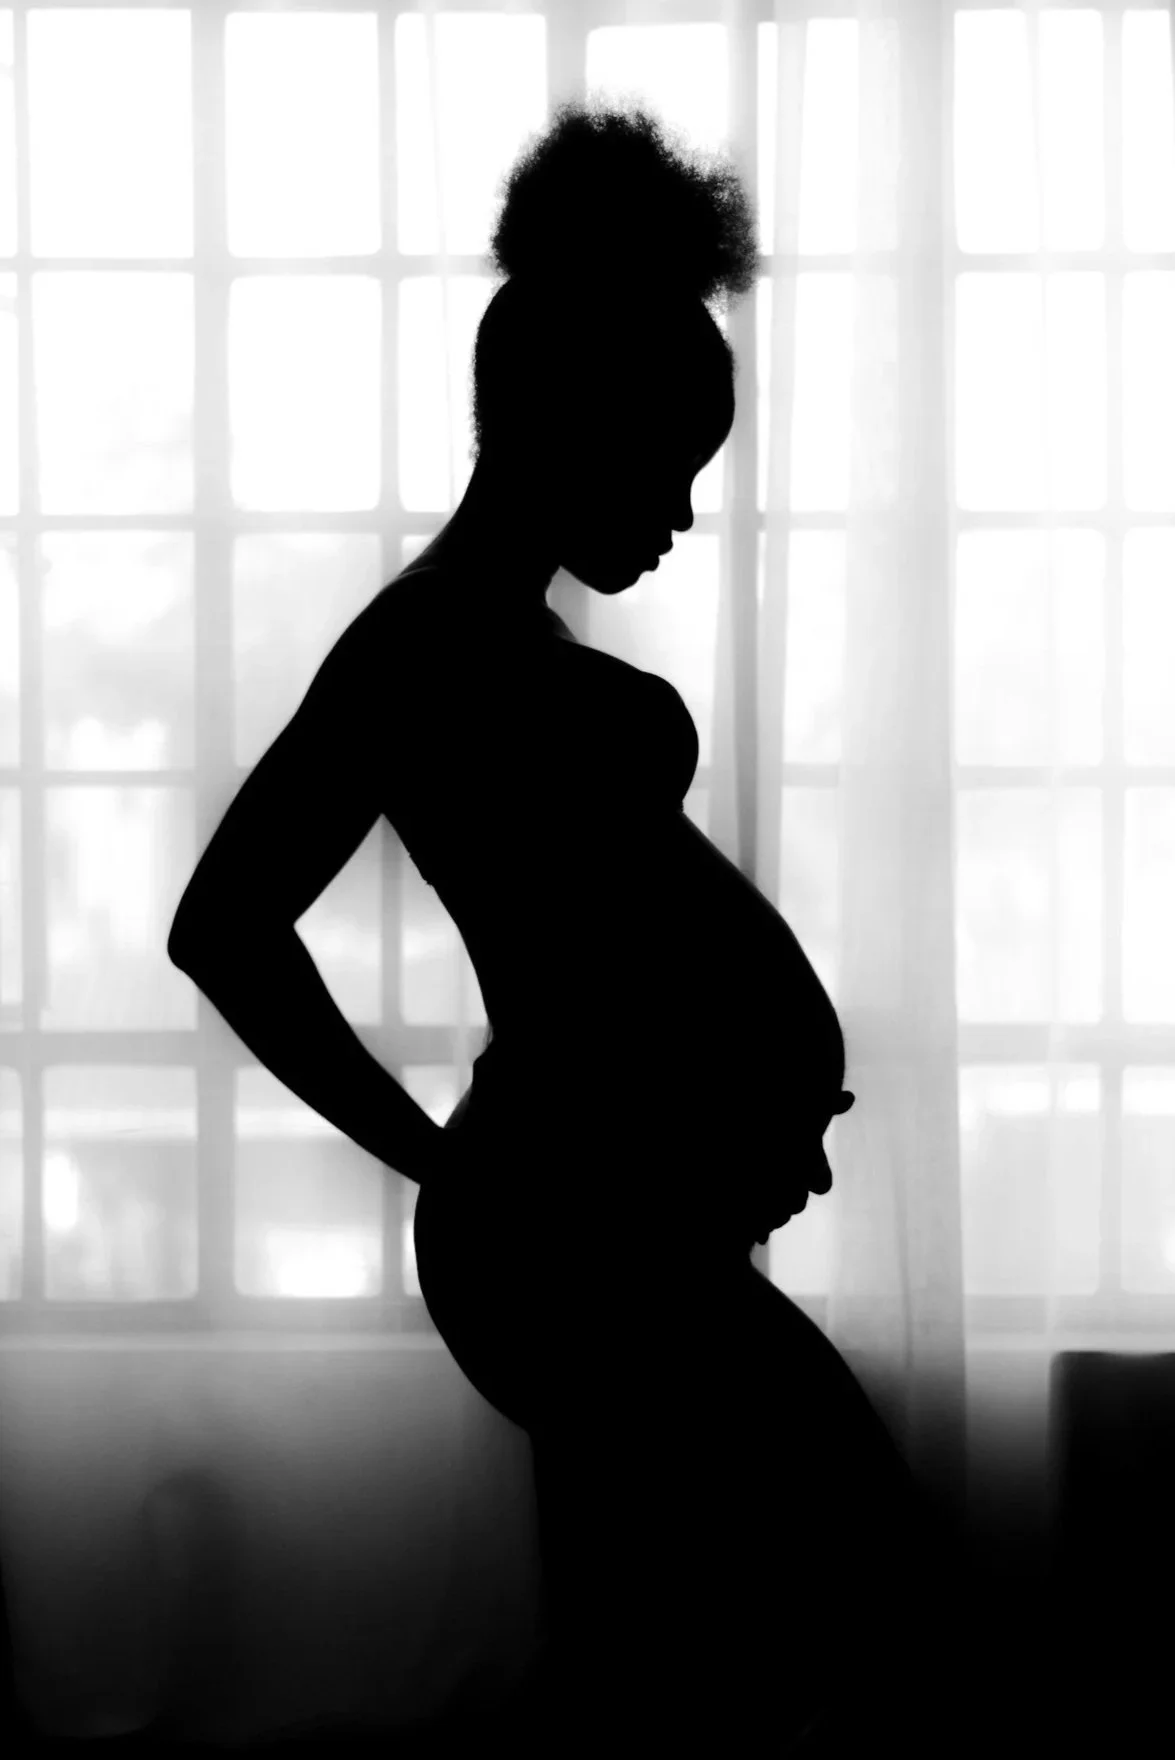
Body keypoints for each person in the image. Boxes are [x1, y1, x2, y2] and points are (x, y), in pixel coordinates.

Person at [169, 98, 963, 1756]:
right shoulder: (420, 647)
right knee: (807, 1589)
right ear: (568, 421)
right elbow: (226, 924)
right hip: (555, 1230)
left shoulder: (502, 637)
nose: (679, 512)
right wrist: (437, 1156)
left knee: (724, 1613)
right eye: (669, 463)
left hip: (613, 1217)